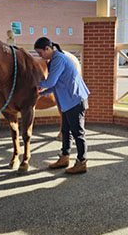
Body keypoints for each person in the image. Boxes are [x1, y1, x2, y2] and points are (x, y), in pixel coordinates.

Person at [34, 37, 90, 174]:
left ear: (47, 49)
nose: (40, 56)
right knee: (66, 131)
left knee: (78, 133)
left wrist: (34, 85)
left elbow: (51, 82)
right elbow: (57, 85)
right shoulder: (54, 59)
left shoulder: (58, 59)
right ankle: (64, 157)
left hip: (75, 101)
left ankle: (82, 162)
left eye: (40, 53)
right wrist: (40, 93)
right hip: (67, 102)